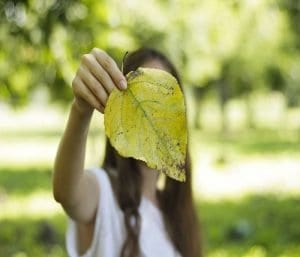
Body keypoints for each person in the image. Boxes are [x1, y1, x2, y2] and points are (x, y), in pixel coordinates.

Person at [53, 47, 202, 257]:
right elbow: (67, 193)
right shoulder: (103, 192)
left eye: (160, 96)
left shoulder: (174, 211)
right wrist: (81, 109)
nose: (150, 114)